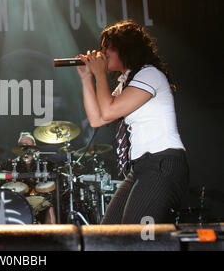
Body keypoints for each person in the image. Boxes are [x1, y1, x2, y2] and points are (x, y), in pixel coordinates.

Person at [76, 20, 189, 224]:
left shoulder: (150, 74)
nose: (102, 53)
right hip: (141, 167)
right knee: (108, 235)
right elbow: (97, 118)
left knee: (138, 237)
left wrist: (100, 73)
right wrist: (86, 79)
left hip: (162, 163)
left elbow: (109, 111)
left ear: (125, 48)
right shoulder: (126, 83)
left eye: (107, 47)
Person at [16, 132, 56, 224]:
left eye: (28, 143)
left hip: (41, 198)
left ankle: (53, 234)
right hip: (20, 199)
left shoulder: (44, 164)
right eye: (22, 144)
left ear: (34, 146)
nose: (25, 146)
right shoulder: (12, 165)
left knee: (50, 204)